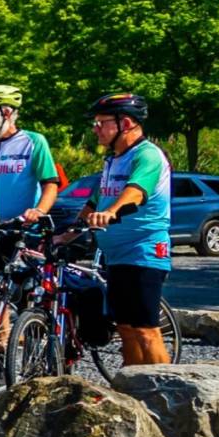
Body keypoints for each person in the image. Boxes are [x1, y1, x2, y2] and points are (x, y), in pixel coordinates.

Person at [0, 85, 60, 382]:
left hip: (26, 231)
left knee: (29, 300)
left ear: (6, 113)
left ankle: (36, 368)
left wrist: (39, 211)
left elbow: (50, 183)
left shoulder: (34, 142)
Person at [83, 92, 173, 367]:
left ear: (126, 123)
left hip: (143, 249)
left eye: (102, 122)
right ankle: (132, 392)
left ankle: (168, 395)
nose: (95, 129)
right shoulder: (112, 160)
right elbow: (95, 201)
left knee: (146, 330)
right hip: (117, 254)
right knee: (125, 329)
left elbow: (135, 192)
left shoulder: (147, 155)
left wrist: (111, 212)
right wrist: (70, 228)